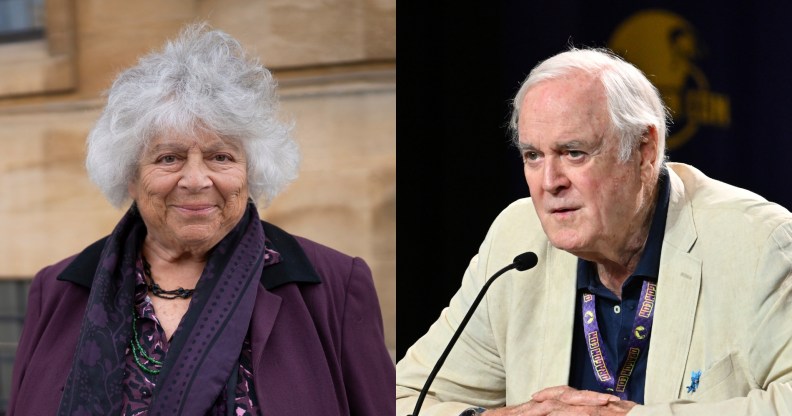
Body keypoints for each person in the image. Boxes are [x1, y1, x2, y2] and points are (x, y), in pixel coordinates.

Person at [9, 23, 394, 415]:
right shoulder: (59, 290)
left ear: (252, 171)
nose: (195, 180)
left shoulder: (333, 286)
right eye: (168, 158)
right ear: (130, 176)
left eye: (221, 157)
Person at [396, 47, 792, 415]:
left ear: (644, 151)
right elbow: (402, 397)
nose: (550, 181)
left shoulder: (757, 242)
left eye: (574, 153)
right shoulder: (517, 240)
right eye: (533, 155)